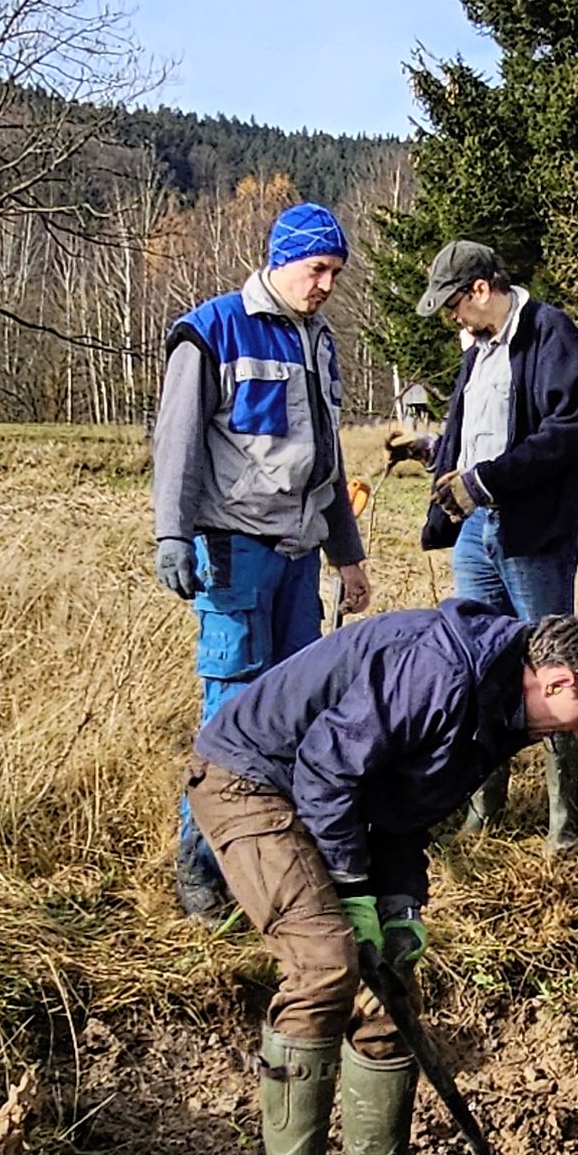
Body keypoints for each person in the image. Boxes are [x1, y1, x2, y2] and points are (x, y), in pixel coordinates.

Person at [184, 601, 578, 1155]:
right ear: (556, 683)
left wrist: (399, 903)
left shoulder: (500, 711)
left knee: (388, 982)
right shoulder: (443, 672)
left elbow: (401, 804)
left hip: (331, 793)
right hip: (255, 777)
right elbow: (328, 765)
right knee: (326, 961)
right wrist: (350, 891)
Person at [153, 201, 376, 921]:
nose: (326, 286)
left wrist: (348, 555)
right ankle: (201, 869)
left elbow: (330, 461)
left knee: (295, 713)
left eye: (336, 274)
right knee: (231, 709)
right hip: (234, 552)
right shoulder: (212, 330)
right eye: (318, 270)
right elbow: (178, 443)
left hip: (300, 557)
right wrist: (171, 536)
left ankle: (270, 855)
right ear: (280, 261)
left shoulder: (322, 342)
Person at [386, 240, 578, 851]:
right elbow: (478, 438)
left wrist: (482, 481)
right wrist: (431, 449)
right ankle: (485, 809)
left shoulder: (549, 331)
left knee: (555, 666)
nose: (450, 318)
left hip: (532, 531)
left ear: (480, 288)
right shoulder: (476, 354)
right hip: (475, 532)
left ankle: (564, 827)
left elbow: (567, 430)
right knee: (480, 665)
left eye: (452, 304)